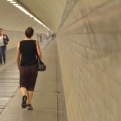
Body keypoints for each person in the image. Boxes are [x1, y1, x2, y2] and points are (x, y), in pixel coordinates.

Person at [16, 27, 42, 110]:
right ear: (32, 34)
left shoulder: (20, 43)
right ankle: (29, 104)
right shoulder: (35, 42)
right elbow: (39, 54)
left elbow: (17, 57)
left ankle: (24, 96)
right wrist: (40, 62)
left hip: (23, 66)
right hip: (33, 66)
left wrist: (18, 65)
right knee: (31, 85)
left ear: (25, 33)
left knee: (23, 84)